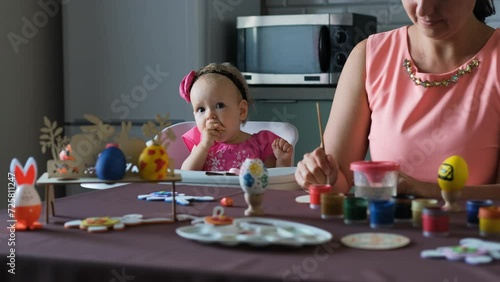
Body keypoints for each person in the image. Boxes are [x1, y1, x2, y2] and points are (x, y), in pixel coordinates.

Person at [295, 0, 499, 200]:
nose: (423, 8)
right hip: (386, 231)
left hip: (472, 232)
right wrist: (319, 175)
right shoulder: (368, 56)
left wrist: (420, 189)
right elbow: (338, 182)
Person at [179, 62, 293, 171]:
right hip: (207, 192)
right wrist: (204, 146)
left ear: (242, 111)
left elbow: (272, 183)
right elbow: (186, 175)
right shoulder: (201, 145)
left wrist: (282, 162)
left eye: (219, 105)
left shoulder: (261, 145)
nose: (209, 115)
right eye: (201, 109)